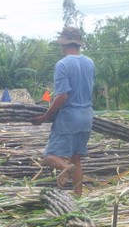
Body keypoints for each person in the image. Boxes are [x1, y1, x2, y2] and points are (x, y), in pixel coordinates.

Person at [31, 26, 95, 196]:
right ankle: (78, 197)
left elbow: (62, 97)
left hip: (69, 118)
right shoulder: (90, 62)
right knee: (77, 159)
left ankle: (65, 168)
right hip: (87, 116)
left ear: (64, 44)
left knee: (48, 157)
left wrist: (45, 116)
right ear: (78, 44)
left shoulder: (62, 64)